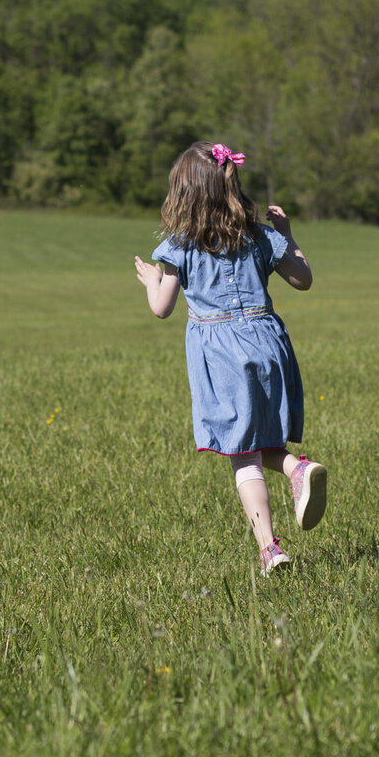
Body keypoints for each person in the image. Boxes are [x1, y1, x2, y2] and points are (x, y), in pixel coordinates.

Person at [133, 142, 328, 572]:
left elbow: (162, 308)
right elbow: (303, 279)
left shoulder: (179, 245)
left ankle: (269, 549)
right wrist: (289, 235)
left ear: (184, 194)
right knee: (263, 441)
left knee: (242, 453)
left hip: (221, 354)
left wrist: (151, 280)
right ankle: (297, 469)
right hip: (269, 342)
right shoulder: (259, 235)